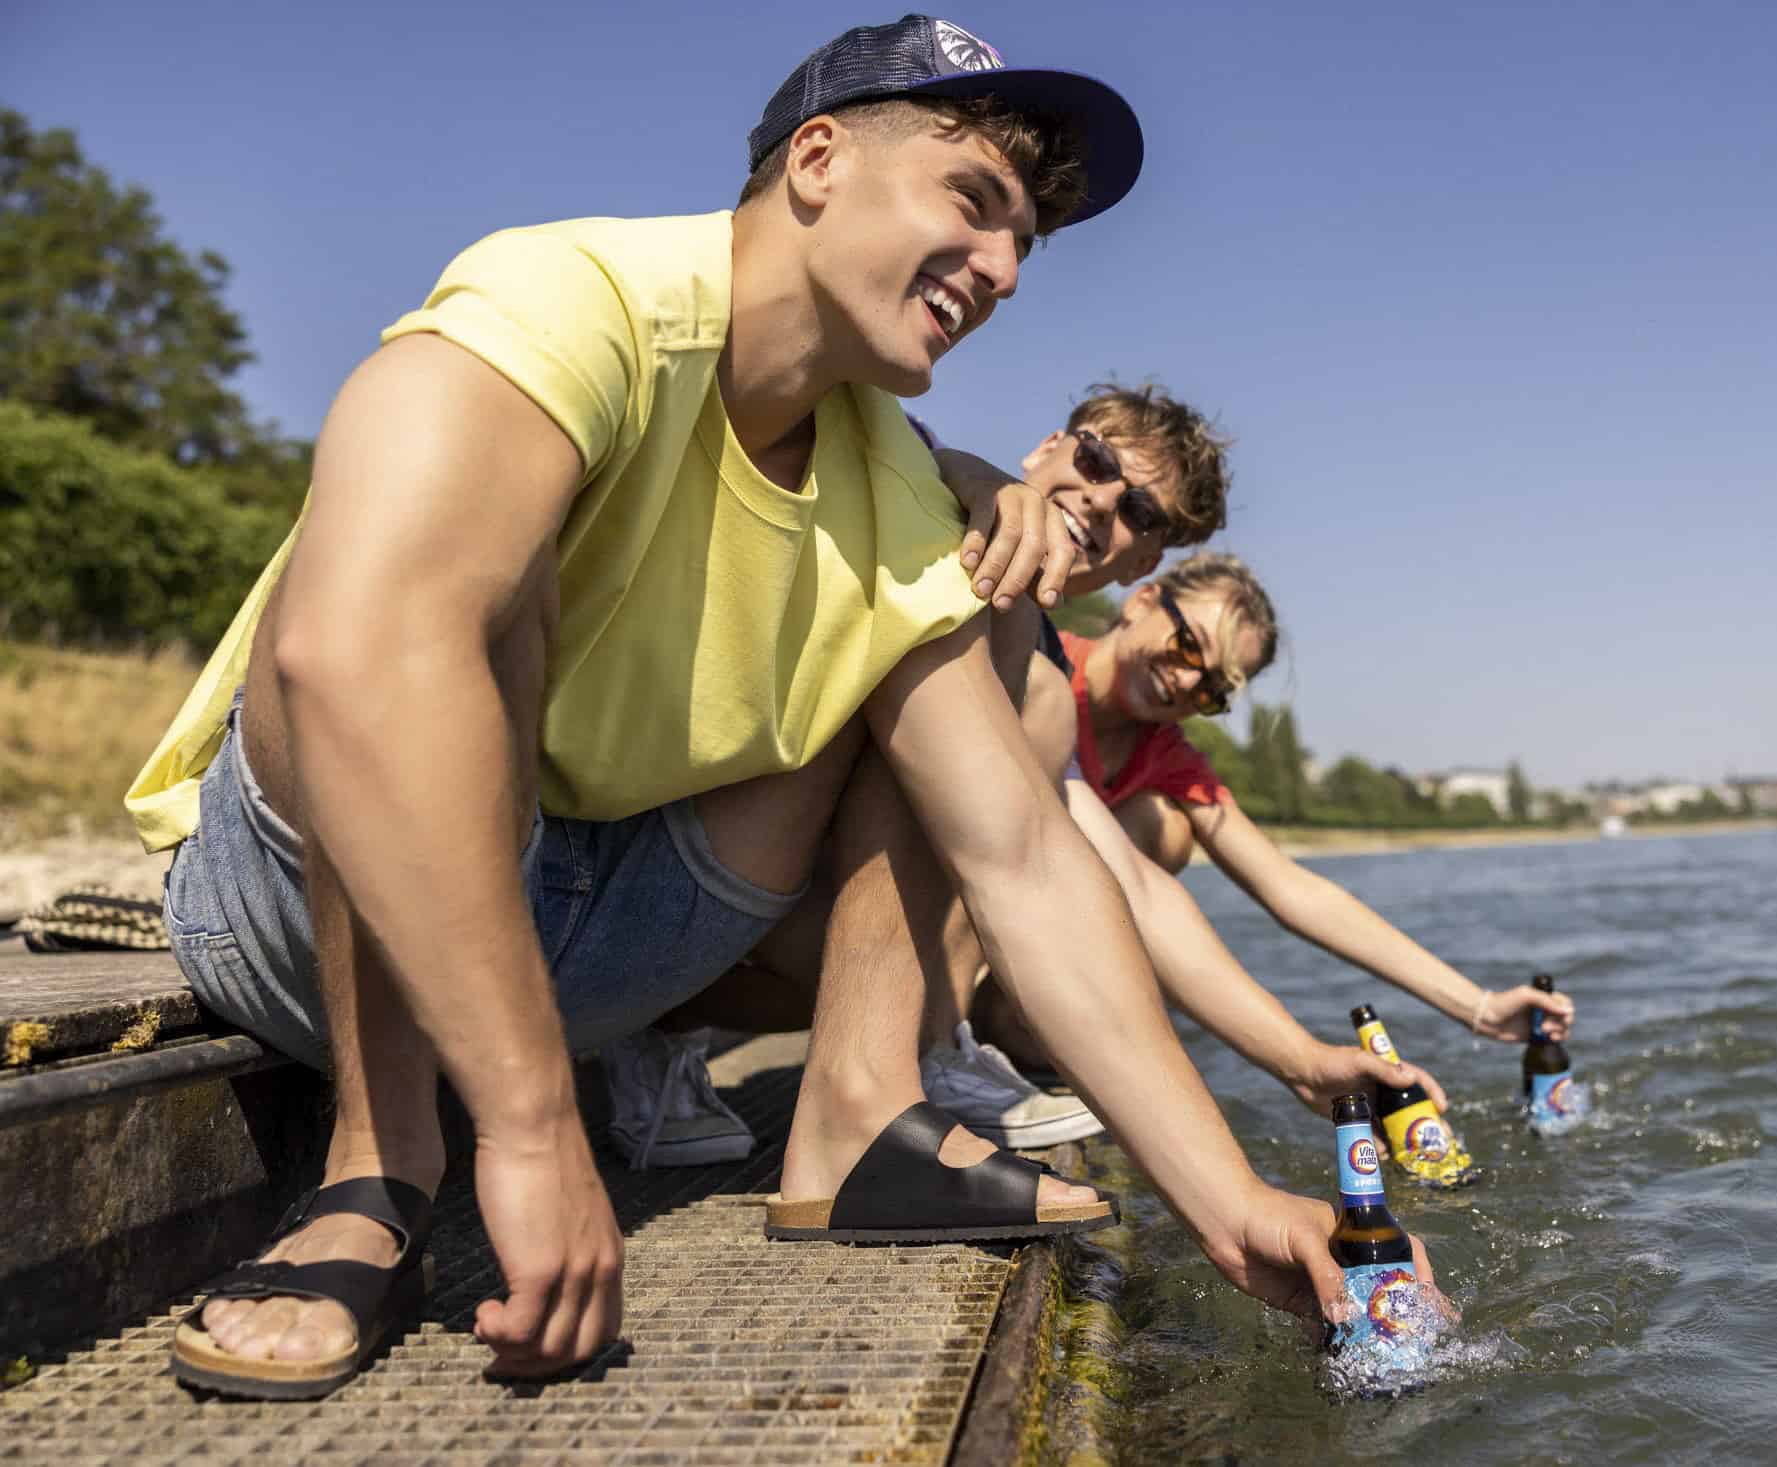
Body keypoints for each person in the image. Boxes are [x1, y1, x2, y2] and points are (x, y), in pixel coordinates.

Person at [127, 16, 1427, 1400]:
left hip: (590, 950)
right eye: (971, 201)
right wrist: (526, 1122)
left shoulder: (897, 487)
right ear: (816, 160)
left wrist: (1229, 1208)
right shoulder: (578, 294)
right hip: (305, 918)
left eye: (1022, 248)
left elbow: (1022, 856)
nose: (997, 270)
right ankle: (376, 1170)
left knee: (989, 643)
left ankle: (858, 1114)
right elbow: (348, 658)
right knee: (436, 590)